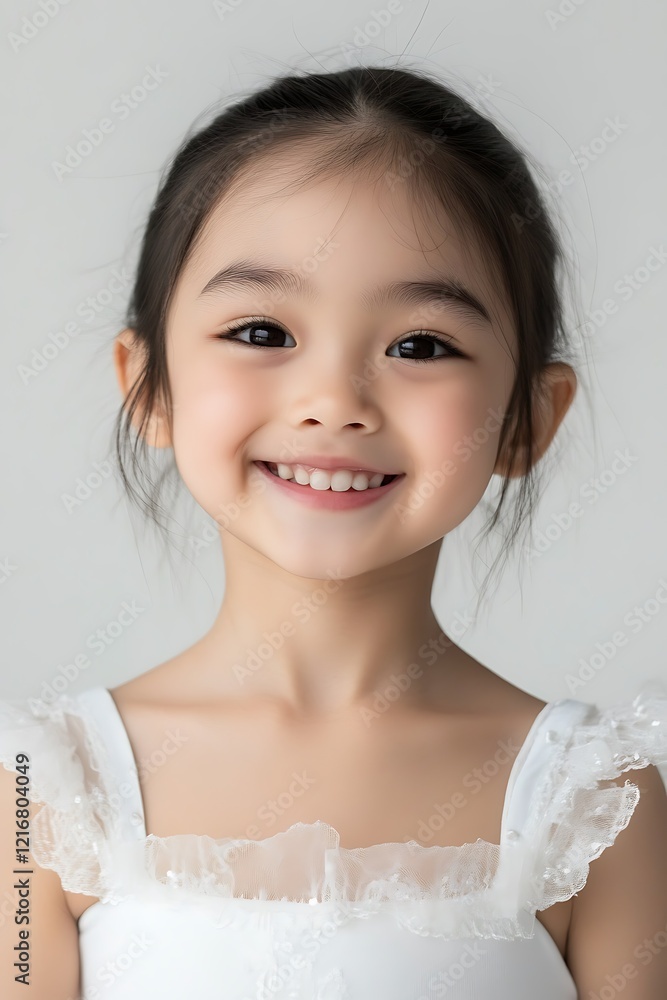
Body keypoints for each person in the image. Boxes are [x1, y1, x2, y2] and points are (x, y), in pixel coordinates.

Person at [1, 63, 666, 1000]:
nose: (332, 404)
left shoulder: (594, 801)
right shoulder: (42, 792)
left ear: (526, 419)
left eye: (420, 346)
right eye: (263, 332)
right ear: (148, 385)